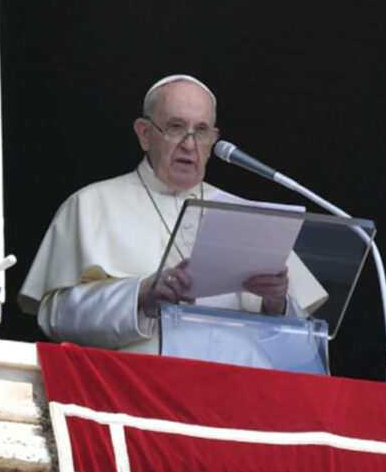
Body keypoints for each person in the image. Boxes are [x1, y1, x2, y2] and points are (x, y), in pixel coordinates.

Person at [18, 75, 326, 356]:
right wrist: (139, 295)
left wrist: (278, 303)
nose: (189, 145)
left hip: (240, 398)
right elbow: (55, 317)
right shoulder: (89, 204)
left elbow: (304, 350)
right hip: (142, 396)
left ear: (213, 140)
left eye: (201, 131)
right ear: (144, 133)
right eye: (176, 127)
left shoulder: (249, 215)